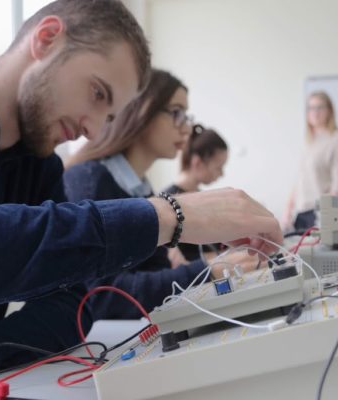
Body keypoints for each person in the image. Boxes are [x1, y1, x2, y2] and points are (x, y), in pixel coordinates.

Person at [0, 1, 282, 398]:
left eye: (109, 116)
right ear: (46, 38)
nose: (94, 130)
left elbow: (72, 304)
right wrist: (166, 215)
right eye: (97, 93)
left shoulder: (39, 170)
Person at [63, 69, 259, 320]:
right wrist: (207, 271)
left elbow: (157, 269)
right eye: (176, 113)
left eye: (186, 116)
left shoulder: (141, 190)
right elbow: (103, 297)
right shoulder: (89, 181)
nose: (187, 128)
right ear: (141, 111)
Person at [282, 91, 338, 233]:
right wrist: (288, 210)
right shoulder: (309, 140)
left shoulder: (337, 138)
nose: (315, 112)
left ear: (329, 110)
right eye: (311, 108)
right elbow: (300, 180)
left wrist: (325, 217)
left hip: (319, 212)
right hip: (301, 211)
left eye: (320, 107)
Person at [163, 124, 229, 261]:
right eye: (219, 167)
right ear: (197, 163)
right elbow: (184, 260)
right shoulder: (167, 203)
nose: (222, 174)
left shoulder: (203, 198)